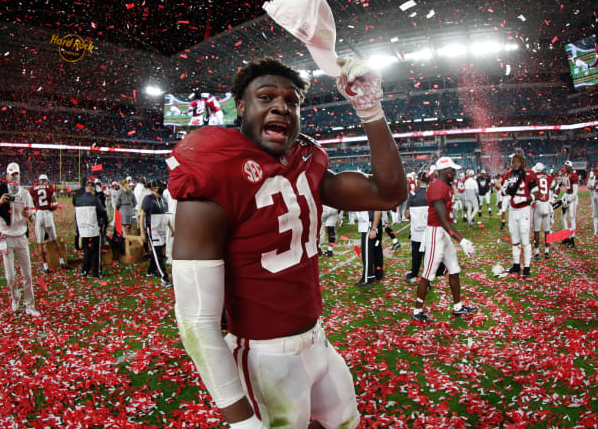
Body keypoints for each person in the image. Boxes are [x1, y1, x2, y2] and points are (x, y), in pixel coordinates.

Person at [167, 56, 406, 428]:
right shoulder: (214, 171)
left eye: (292, 102)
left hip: (317, 341)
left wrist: (370, 109)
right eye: (266, 97)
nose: (281, 106)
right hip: (265, 357)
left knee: (347, 423)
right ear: (242, 108)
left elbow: (388, 194)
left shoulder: (303, 164)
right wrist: (239, 418)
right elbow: (196, 320)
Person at [411, 157, 476, 323]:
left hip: (443, 232)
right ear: (445, 171)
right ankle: (417, 311)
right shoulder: (438, 187)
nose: (454, 173)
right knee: (427, 274)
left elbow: (445, 220)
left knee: (454, 268)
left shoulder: (443, 186)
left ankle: (458, 306)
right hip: (435, 233)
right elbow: (441, 218)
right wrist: (461, 240)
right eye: (452, 170)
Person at [0, 162, 40, 317]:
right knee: (10, 276)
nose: (14, 178)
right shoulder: (0, 192)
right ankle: (15, 297)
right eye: (12, 175)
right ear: (7, 176)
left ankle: (30, 305)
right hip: (6, 237)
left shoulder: (25, 194)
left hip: (21, 237)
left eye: (17, 175)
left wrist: (28, 215)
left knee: (27, 275)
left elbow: (33, 218)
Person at [496, 153, 539, 277]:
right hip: (513, 211)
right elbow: (503, 190)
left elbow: (536, 195)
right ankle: (516, 264)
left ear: (522, 162)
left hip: (524, 210)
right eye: (513, 162)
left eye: (517, 162)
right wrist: (505, 190)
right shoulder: (509, 175)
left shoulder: (529, 174)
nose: (515, 164)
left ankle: (527, 267)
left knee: (525, 239)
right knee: (515, 239)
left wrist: (524, 199)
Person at [29, 174, 66, 272]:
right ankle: (61, 261)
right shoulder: (49, 188)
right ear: (46, 181)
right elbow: (55, 204)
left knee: (40, 243)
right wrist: (51, 208)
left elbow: (31, 200)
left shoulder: (34, 188)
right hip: (48, 214)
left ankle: (45, 267)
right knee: (54, 240)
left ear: (39, 181)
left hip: (39, 214)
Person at [139, 179, 172, 286]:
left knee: (156, 251)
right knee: (157, 253)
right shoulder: (148, 199)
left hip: (161, 228)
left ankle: (151, 271)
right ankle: (164, 277)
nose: (161, 188)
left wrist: (171, 229)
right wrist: (142, 232)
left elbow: (165, 216)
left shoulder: (163, 199)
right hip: (152, 229)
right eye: (159, 186)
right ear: (153, 188)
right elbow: (142, 216)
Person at [74, 180, 107, 278]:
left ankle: (85, 270)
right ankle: (96, 272)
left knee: (87, 250)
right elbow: (102, 212)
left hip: (83, 228)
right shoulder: (95, 198)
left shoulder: (78, 199)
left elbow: (76, 216)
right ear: (93, 189)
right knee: (95, 251)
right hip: (93, 227)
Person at [404, 171, 429, 282]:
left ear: (419, 180)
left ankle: (414, 274)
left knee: (416, 254)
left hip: (416, 231)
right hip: (429, 231)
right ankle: (428, 275)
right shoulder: (432, 193)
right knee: (428, 255)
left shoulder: (413, 195)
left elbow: (407, 214)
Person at [531, 163, 555, 260]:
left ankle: (537, 253)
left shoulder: (534, 178)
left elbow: (532, 192)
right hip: (547, 204)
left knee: (536, 230)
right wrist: (553, 199)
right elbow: (555, 186)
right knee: (547, 230)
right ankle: (546, 252)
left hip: (538, 204)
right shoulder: (549, 177)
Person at [355, 210, 383, 286]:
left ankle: (368, 277)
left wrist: (373, 228)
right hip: (371, 223)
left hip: (370, 224)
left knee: (367, 252)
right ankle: (378, 274)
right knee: (376, 250)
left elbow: (378, 209)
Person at [559, 160, 579, 248]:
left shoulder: (574, 175)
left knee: (572, 217)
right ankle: (566, 236)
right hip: (567, 195)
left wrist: (569, 200)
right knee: (562, 216)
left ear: (570, 167)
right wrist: (563, 198)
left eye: (566, 166)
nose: (565, 167)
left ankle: (572, 239)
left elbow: (575, 192)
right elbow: (566, 189)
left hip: (573, 198)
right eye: (565, 166)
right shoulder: (566, 175)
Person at [588, 170, 597, 236]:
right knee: (596, 214)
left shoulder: (595, 178)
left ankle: (596, 231)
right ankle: (596, 231)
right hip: (595, 193)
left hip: (595, 193)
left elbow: (595, 183)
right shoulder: (594, 178)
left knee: (596, 215)